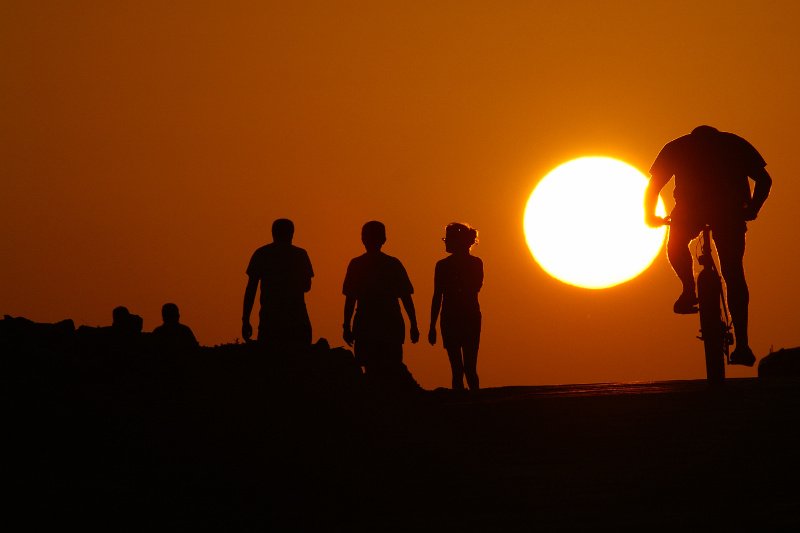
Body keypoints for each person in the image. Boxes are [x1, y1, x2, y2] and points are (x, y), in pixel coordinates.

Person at [645, 125, 772, 366]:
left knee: (676, 245)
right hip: (730, 212)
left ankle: (688, 290)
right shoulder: (735, 144)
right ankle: (743, 345)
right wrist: (753, 209)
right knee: (733, 273)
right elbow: (765, 180)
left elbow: (654, 186)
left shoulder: (677, 147)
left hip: (690, 212)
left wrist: (649, 215)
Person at [342, 221, 419, 379]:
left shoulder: (357, 265)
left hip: (369, 324)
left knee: (373, 369)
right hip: (386, 323)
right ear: (384, 239)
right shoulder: (392, 264)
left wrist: (347, 326)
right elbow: (406, 298)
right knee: (391, 368)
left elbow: (350, 299)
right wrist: (413, 324)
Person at [242, 218, 314, 350]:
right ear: (292, 234)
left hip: (270, 319)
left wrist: (245, 319)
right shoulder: (300, 255)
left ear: (273, 233)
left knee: (271, 358)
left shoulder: (261, 253)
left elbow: (251, 290)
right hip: (297, 319)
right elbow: (307, 287)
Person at [428, 223, 484, 391]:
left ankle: (464, 400)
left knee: (461, 369)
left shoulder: (444, 266)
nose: (445, 242)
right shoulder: (474, 263)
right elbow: (438, 295)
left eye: (448, 239)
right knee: (467, 368)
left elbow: (438, 295)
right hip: (466, 317)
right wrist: (432, 326)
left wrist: (432, 326)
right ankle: (473, 400)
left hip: (455, 318)